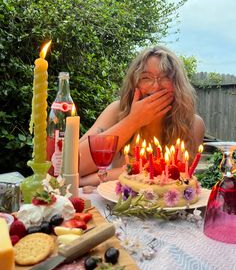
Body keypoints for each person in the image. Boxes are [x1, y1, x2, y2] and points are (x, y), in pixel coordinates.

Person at [79, 45, 205, 187]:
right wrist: (133, 120)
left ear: (177, 84)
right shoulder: (116, 111)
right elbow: (74, 164)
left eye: (165, 77)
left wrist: (89, 180)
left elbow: (172, 179)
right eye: (146, 77)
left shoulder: (193, 123)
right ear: (135, 83)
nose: (156, 86)